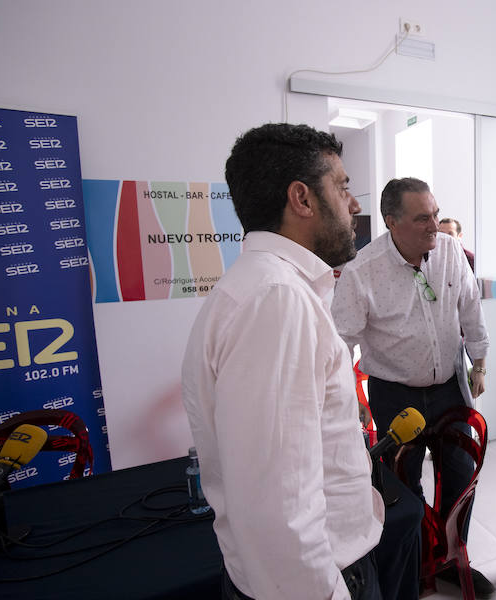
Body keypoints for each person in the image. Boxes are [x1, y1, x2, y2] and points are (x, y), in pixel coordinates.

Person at [181, 124, 385, 600]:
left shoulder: (266, 289)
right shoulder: (277, 300)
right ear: (302, 198)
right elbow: (279, 508)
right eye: (342, 186)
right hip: (318, 580)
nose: (354, 205)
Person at [331, 177, 494, 598]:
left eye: (436, 214)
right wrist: (352, 399)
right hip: (394, 392)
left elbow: (470, 306)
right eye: (423, 218)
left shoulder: (450, 250)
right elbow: (338, 345)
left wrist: (479, 362)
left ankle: (451, 557)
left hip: (448, 388)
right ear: (392, 222)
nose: (434, 225)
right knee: (402, 488)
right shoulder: (361, 272)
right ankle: (418, 565)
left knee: (461, 476)